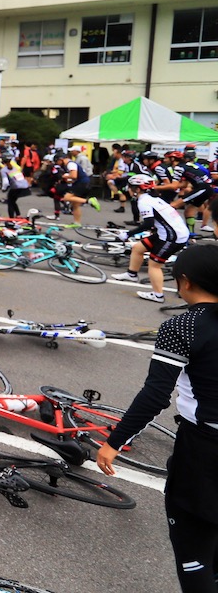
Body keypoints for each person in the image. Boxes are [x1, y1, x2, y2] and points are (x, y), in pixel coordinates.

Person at [96, 243, 218, 593]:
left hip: (205, 451)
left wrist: (114, 441)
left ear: (185, 282)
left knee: (194, 552)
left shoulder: (183, 326)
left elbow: (155, 395)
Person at [110, 174, 190, 303]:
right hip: (169, 232)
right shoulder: (153, 198)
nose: (128, 189)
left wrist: (128, 234)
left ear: (137, 189)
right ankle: (131, 274)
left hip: (172, 237)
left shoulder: (144, 202)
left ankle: (158, 295)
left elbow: (148, 224)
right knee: (137, 248)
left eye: (130, 187)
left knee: (154, 265)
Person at [57, 150, 101, 227]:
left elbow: (74, 175)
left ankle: (89, 201)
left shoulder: (70, 164)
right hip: (84, 182)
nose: (58, 164)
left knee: (67, 197)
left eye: (57, 161)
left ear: (61, 159)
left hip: (82, 183)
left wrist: (65, 176)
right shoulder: (72, 164)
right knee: (75, 204)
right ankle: (77, 223)